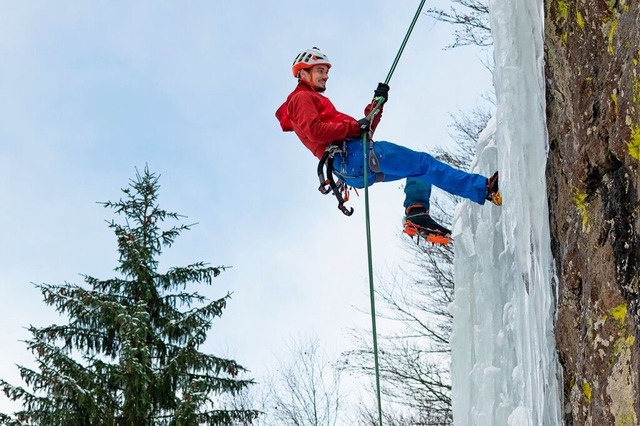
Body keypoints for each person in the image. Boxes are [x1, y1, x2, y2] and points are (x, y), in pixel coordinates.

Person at [275, 47, 501, 242]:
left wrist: (376, 105)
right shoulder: (300, 99)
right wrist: (354, 127)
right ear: (303, 73)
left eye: (326, 72)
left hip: (351, 167)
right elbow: (316, 131)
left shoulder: (316, 101)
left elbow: (363, 132)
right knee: (423, 163)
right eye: (320, 71)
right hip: (352, 157)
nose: (325, 76)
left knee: (419, 167)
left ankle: (416, 212)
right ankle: (485, 189)